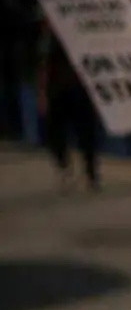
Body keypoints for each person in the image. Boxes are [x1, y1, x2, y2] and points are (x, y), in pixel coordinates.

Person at [37, 19, 100, 191]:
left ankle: (89, 172)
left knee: (85, 132)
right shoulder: (47, 39)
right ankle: (67, 167)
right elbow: (43, 67)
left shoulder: (77, 35)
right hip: (59, 90)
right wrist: (42, 93)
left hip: (77, 89)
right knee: (57, 133)